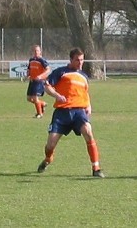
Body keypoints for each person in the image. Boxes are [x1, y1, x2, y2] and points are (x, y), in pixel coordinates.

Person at [37, 48, 104, 178]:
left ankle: (96, 168)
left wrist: (88, 105)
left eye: (82, 60)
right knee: (50, 144)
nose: (80, 62)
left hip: (79, 111)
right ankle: (48, 159)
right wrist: (57, 95)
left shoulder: (84, 76)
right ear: (71, 60)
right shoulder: (60, 72)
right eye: (77, 60)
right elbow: (46, 86)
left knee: (89, 133)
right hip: (62, 113)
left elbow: (85, 92)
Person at [27, 45, 51, 118]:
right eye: (34, 51)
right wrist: (28, 75)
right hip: (32, 81)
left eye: (37, 50)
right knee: (29, 98)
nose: (35, 52)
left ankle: (39, 114)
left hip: (39, 81)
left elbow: (48, 70)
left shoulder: (42, 60)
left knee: (35, 98)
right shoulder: (31, 60)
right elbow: (29, 69)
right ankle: (42, 104)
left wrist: (40, 76)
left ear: (40, 51)